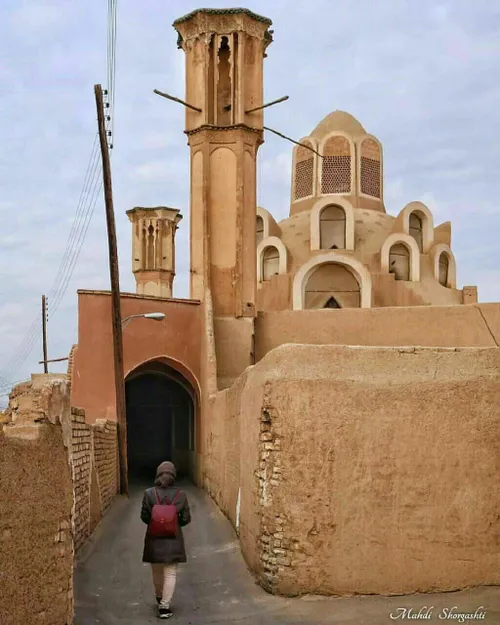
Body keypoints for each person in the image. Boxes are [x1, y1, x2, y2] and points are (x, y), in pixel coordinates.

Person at [140, 461, 191, 619]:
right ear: (173, 475)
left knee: (156, 571)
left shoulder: (149, 494)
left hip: (154, 539)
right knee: (170, 573)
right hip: (173, 539)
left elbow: (144, 517)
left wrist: (157, 522)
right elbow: (186, 519)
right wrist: (173, 523)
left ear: (158, 474)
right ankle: (164, 606)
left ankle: (159, 595)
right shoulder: (181, 495)